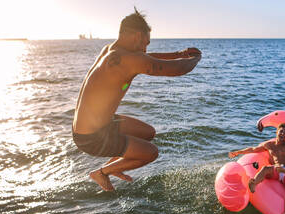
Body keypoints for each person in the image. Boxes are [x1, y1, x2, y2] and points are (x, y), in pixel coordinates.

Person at [72, 8, 201, 191]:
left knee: (148, 133)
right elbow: (177, 69)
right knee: (150, 153)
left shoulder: (111, 50)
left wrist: (177, 53)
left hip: (96, 124)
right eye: (145, 42)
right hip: (91, 136)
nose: (145, 48)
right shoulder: (125, 60)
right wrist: (195, 59)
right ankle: (102, 173)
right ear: (137, 36)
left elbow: (144, 57)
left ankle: (114, 166)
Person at [229, 123, 285, 214]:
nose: (283, 134)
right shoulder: (269, 145)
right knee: (265, 169)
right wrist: (238, 152)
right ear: (277, 132)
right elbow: (253, 149)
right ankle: (254, 183)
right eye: (281, 131)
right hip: (276, 170)